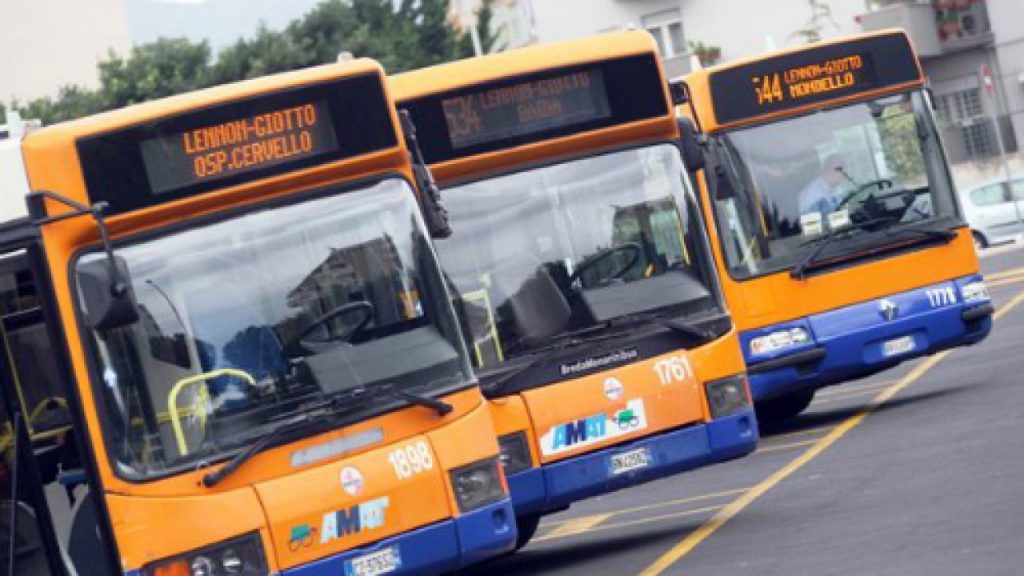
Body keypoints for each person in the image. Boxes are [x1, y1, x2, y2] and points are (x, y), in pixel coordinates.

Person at [798, 154, 851, 219]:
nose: (846, 174)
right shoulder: (810, 195)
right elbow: (811, 224)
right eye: (844, 169)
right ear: (834, 169)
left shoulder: (837, 188)